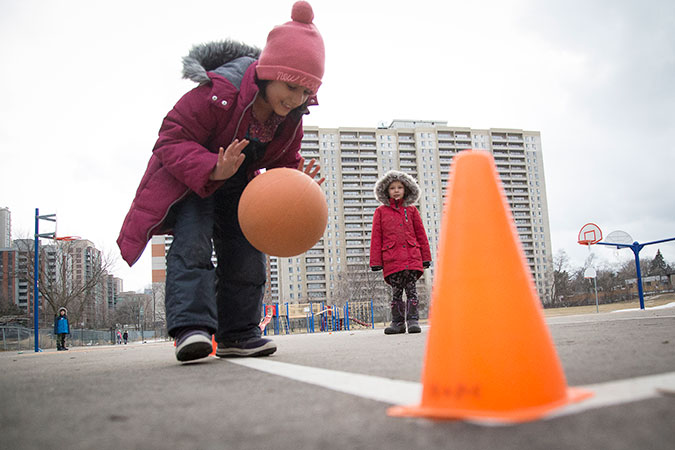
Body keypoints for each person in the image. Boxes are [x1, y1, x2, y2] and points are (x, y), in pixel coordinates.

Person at [117, 1, 325, 363]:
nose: (295, 99)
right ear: (269, 72)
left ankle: (239, 332)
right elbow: (170, 138)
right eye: (290, 87)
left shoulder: (292, 118)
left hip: (240, 185)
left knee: (247, 253)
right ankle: (192, 329)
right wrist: (213, 166)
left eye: (305, 93)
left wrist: (294, 181)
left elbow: (283, 163)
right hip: (193, 181)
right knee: (193, 244)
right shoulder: (219, 92)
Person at [369, 171, 432, 334]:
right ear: (386, 191)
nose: (396, 190)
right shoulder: (381, 212)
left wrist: (425, 257)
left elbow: (421, 234)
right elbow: (376, 237)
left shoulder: (411, 211)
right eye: (392, 188)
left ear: (406, 189)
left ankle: (412, 320)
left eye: (399, 187)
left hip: (412, 258)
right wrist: (376, 261)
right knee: (396, 293)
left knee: (412, 291)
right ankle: (397, 322)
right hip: (392, 260)